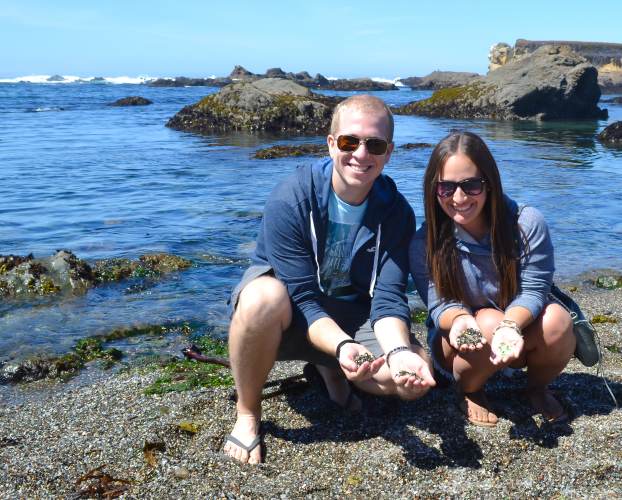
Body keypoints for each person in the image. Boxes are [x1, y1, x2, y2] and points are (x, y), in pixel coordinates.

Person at [223, 94, 436, 464]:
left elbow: (387, 299)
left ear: (389, 152)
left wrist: (401, 354)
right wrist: (341, 347)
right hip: (288, 317)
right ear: (331, 143)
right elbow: (302, 297)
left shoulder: (398, 214)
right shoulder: (292, 197)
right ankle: (247, 413)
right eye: (350, 141)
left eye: (375, 145)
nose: (361, 153)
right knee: (262, 298)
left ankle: (330, 373)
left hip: (352, 319)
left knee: (411, 377)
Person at [409, 131, 575, 428]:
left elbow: (535, 290)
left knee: (557, 322)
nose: (458, 198)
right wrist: (460, 319)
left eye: (470, 185)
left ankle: (535, 387)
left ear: (489, 184)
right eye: (446, 187)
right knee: (486, 321)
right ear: (434, 189)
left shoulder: (526, 223)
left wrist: (510, 325)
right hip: (455, 346)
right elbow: (439, 304)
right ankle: (468, 390)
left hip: (514, 335)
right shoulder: (425, 241)